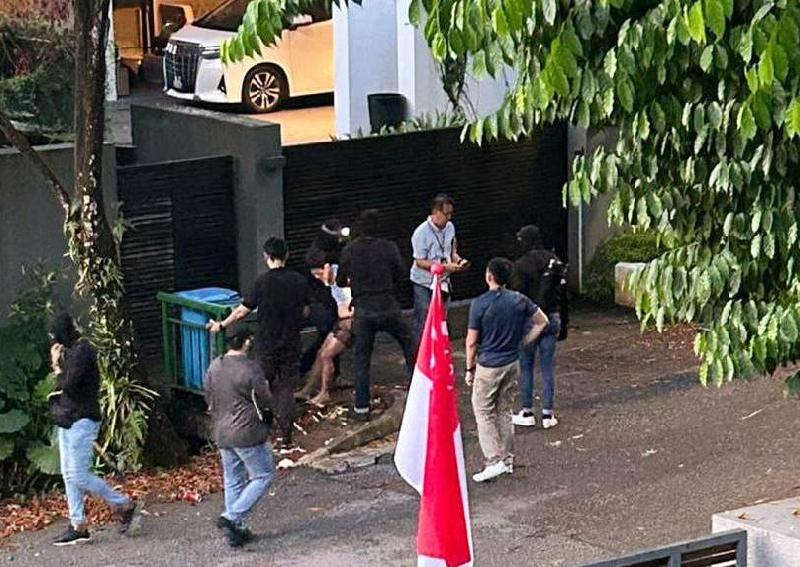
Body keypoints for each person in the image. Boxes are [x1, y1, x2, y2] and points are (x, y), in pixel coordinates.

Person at [207, 237, 310, 451]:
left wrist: (222, 324)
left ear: (266, 256)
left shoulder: (262, 282)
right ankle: (287, 435)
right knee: (287, 389)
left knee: (263, 385)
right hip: (292, 341)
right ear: (287, 254)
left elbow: (242, 310)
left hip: (267, 343)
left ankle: (264, 428)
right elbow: (306, 310)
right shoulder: (299, 280)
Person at [48, 313, 141, 546]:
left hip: (82, 419)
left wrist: (56, 365)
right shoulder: (73, 350)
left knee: (78, 474)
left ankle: (123, 503)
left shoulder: (83, 351)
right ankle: (77, 524)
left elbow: (69, 385)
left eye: (55, 336)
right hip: (68, 419)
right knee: (68, 474)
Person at [464, 259, 549, 483]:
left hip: (489, 365)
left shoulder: (479, 304)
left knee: (483, 412)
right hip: (512, 362)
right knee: (504, 410)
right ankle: (507, 460)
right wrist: (523, 342)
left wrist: (469, 368)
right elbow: (542, 321)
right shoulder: (519, 299)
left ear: (489, 276)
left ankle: (493, 461)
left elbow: (471, 342)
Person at [336, 209, 415, 422]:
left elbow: (340, 280)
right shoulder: (389, 247)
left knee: (362, 359)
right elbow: (402, 273)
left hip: (364, 309)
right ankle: (420, 393)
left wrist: (355, 281)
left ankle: (361, 407)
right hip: (388, 304)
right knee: (410, 345)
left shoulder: (351, 250)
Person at [204, 322, 275, 548]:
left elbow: (208, 393)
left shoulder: (215, 365)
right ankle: (232, 516)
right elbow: (265, 399)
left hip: (222, 430)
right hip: (247, 432)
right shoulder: (251, 368)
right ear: (246, 341)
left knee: (233, 479)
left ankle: (237, 530)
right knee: (263, 475)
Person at [511, 225, 569, 429]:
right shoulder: (554, 260)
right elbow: (563, 294)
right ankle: (547, 415)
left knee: (526, 366)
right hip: (552, 317)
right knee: (547, 367)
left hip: (530, 320)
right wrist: (564, 324)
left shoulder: (521, 265)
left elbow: (517, 296)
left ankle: (527, 411)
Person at [296, 248, 354, 406]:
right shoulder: (332, 282)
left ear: (327, 267)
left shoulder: (343, 278)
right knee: (321, 352)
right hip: (342, 320)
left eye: (319, 274)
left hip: (352, 321)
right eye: (315, 275)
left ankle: (324, 392)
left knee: (327, 355)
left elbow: (351, 305)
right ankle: (308, 390)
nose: (318, 278)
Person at [410, 194, 469, 347]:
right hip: (424, 282)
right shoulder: (421, 232)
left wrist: (459, 261)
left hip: (443, 281)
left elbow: (452, 251)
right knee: (424, 319)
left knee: (442, 318)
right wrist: (444, 267)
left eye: (451, 214)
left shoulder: (450, 227)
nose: (449, 218)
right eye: (446, 214)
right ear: (435, 212)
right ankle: (419, 354)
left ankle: (439, 350)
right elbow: (419, 261)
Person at [299, 219, 350, 380]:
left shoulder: (339, 250)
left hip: (334, 300)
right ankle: (307, 367)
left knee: (332, 338)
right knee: (327, 336)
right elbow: (313, 280)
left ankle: (329, 373)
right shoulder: (315, 255)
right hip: (321, 301)